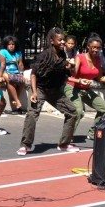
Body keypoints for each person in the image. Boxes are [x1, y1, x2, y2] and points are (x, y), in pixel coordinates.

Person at [17, 27, 79, 156]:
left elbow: (67, 72)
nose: (63, 42)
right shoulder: (44, 55)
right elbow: (33, 74)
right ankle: (25, 145)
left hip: (55, 91)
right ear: (52, 41)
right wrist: (34, 93)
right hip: (40, 88)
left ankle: (64, 144)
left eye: (64, 40)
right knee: (32, 114)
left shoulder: (62, 54)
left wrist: (71, 67)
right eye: (60, 40)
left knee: (73, 112)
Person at [64, 35, 105, 140]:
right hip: (72, 87)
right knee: (79, 112)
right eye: (93, 47)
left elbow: (100, 78)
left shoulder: (98, 59)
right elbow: (73, 74)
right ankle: (67, 138)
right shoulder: (79, 57)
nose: (96, 50)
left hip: (86, 89)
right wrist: (72, 67)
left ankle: (92, 132)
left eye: (98, 48)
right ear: (88, 47)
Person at [0, 35, 26, 114]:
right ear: (6, 45)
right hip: (4, 71)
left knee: (22, 81)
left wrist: (21, 74)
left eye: (13, 44)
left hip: (15, 71)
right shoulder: (2, 52)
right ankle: (17, 101)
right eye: (9, 44)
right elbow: (2, 65)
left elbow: (20, 64)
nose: (11, 46)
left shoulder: (18, 53)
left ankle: (15, 99)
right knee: (9, 80)